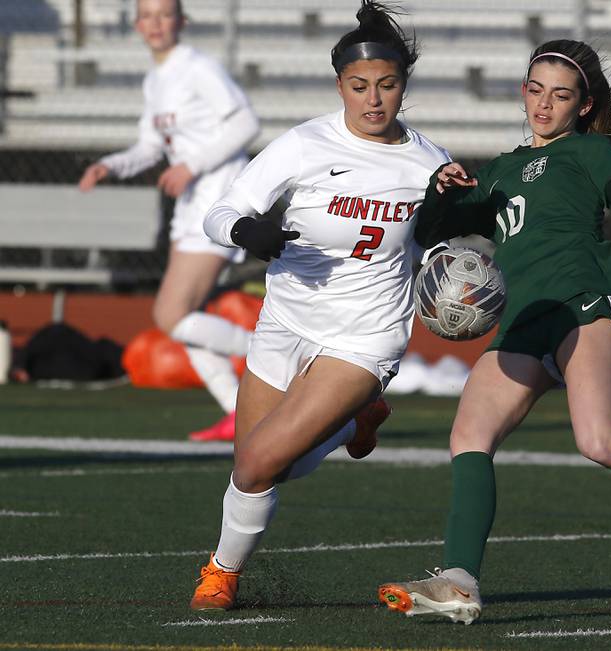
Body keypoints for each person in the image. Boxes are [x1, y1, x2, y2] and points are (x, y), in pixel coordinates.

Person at [378, 39, 611, 625]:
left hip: (583, 306)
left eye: (561, 94)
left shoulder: (589, 150)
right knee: (468, 437)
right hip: (524, 321)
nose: (545, 104)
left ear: (583, 105)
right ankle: (459, 579)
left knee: (599, 443)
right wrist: (441, 189)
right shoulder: (500, 171)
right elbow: (435, 226)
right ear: (521, 92)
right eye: (536, 90)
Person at [189, 1, 451, 611]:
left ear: (403, 87)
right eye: (359, 86)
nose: (374, 99)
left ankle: (221, 573)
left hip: (366, 336)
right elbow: (220, 213)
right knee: (258, 470)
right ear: (340, 86)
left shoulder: (428, 162)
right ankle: (353, 426)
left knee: (257, 461)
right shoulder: (304, 144)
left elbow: (447, 242)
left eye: (387, 86)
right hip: (285, 323)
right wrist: (246, 233)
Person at [78, 0, 260, 441]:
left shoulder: (198, 67)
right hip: (190, 205)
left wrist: (192, 165)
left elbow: (245, 125)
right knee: (183, 315)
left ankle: (280, 357)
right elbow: (148, 146)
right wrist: (110, 166)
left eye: (165, 14)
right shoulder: (155, 80)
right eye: (147, 15)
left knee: (170, 314)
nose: (155, 24)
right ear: (137, 24)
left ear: (182, 21)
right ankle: (239, 412)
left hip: (216, 202)